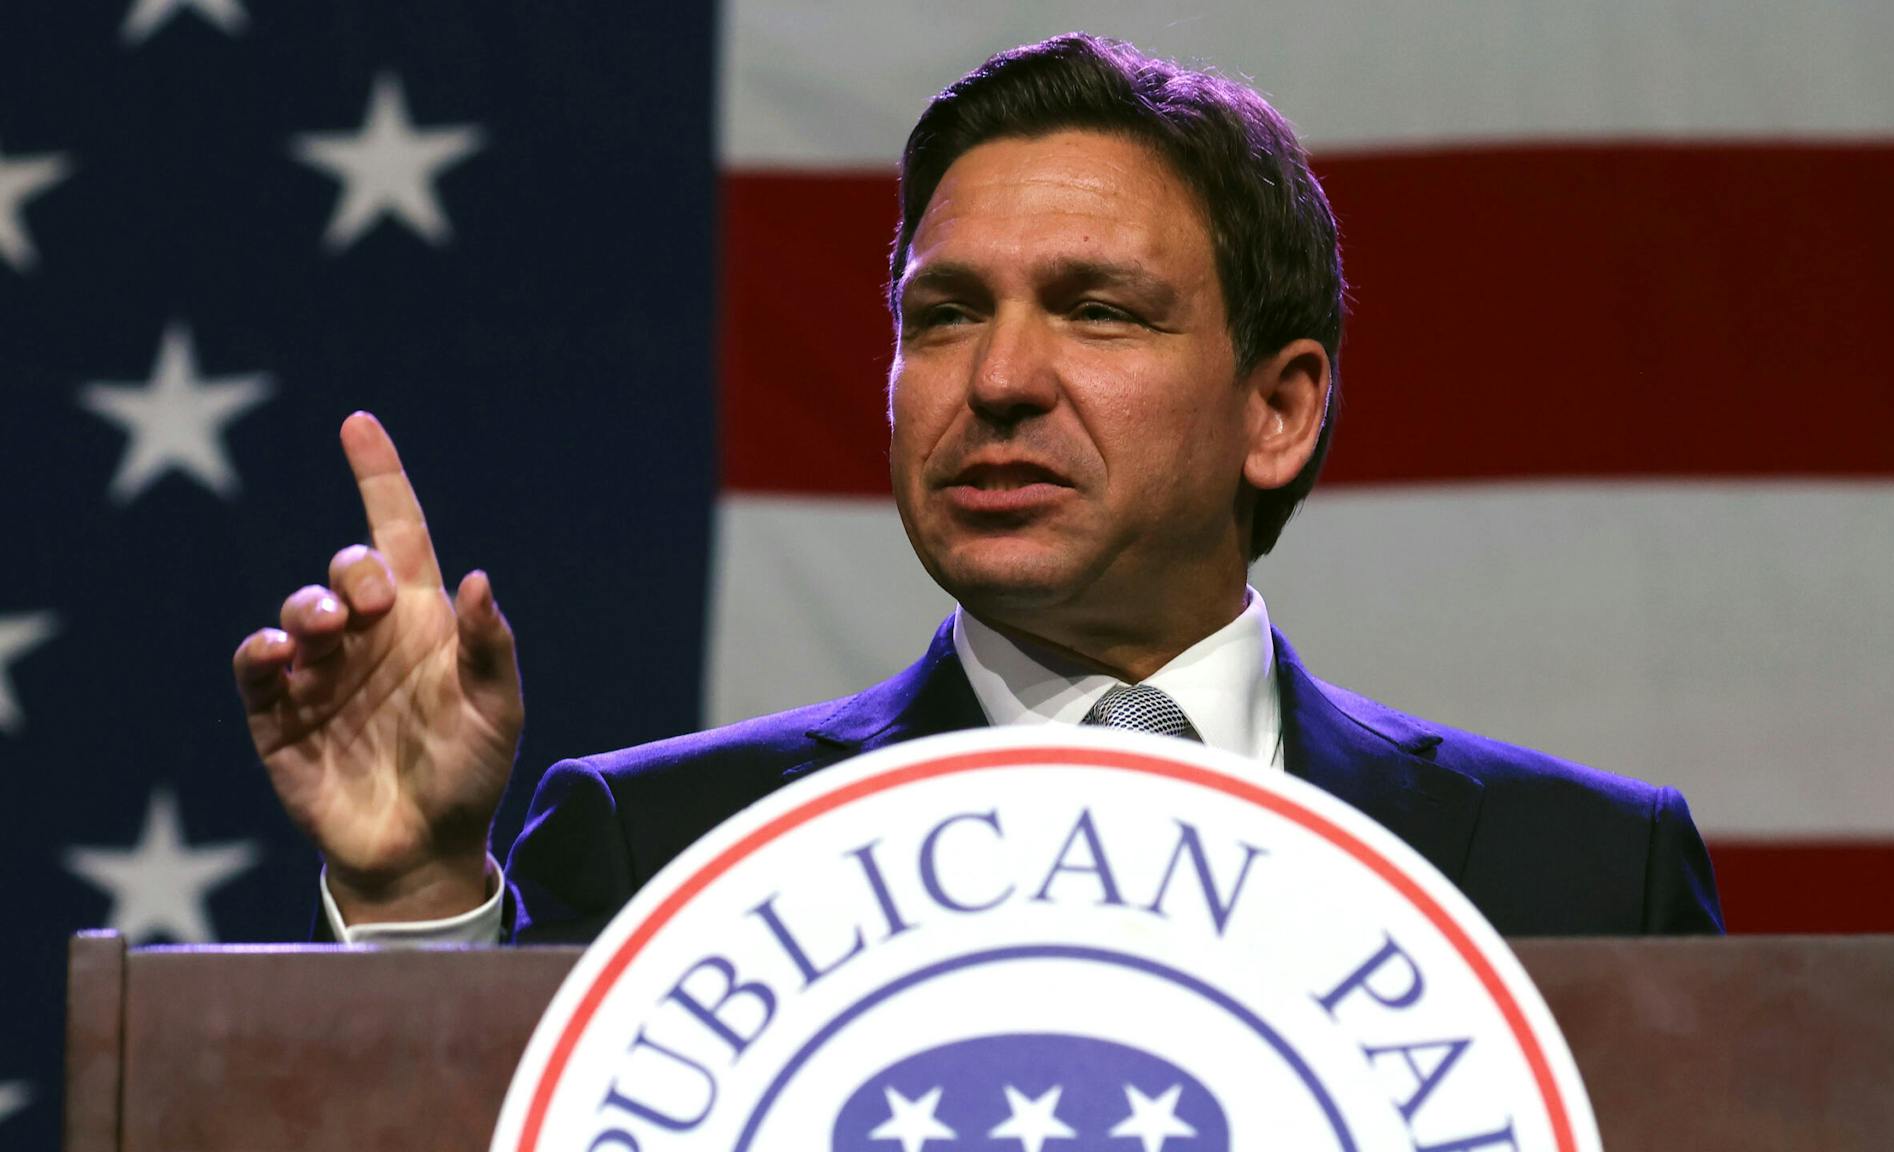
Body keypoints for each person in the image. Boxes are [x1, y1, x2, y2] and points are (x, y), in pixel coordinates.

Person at [233, 34, 1722, 946]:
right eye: (943, 315)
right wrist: (419, 892)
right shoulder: (662, 854)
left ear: (1277, 411)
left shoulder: (1585, 878)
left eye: (1097, 311)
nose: (998, 379)